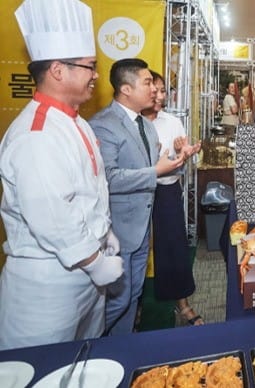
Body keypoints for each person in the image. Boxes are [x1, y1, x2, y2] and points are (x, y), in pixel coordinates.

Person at [0, 0, 123, 350]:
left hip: (86, 272)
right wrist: (94, 261)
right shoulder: (37, 134)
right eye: (89, 67)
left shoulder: (75, 121)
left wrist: (104, 230)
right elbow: (49, 213)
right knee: (41, 368)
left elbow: (84, 193)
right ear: (57, 70)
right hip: (48, 282)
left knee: (86, 360)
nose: (96, 75)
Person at [90, 58, 185, 335]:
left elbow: (149, 164)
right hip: (118, 229)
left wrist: (177, 158)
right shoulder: (104, 125)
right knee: (115, 303)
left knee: (132, 295)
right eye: (147, 84)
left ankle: (123, 351)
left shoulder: (143, 124)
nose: (154, 91)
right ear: (126, 89)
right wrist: (156, 171)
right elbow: (108, 178)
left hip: (142, 227)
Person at [141, 71, 204, 326]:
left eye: (163, 90)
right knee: (136, 251)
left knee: (174, 249)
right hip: (136, 194)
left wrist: (183, 154)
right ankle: (132, 309)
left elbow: (185, 161)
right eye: (153, 89)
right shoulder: (132, 123)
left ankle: (183, 304)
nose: (159, 95)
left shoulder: (172, 122)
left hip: (166, 191)